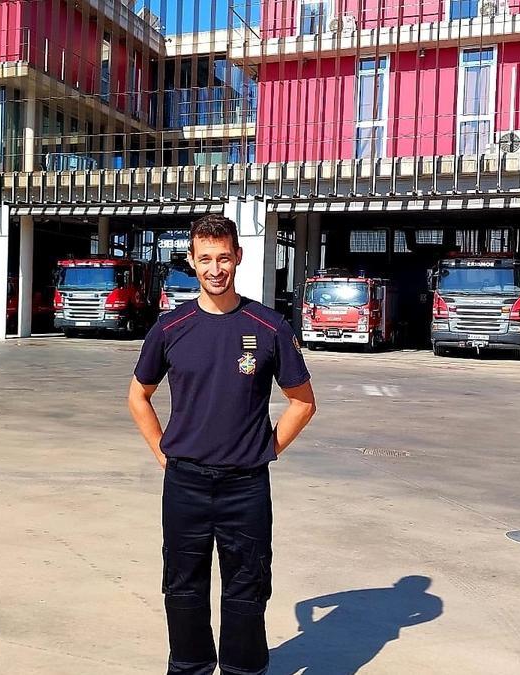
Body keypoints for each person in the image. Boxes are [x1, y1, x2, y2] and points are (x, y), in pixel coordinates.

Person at [128, 213, 317, 675]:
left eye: (224, 258)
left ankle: (243, 669)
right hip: (186, 484)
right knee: (183, 586)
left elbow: (302, 403)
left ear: (239, 258)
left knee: (247, 588)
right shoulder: (171, 328)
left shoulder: (268, 327)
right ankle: (189, 667)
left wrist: (265, 449)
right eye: (206, 258)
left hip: (245, 487)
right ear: (191, 261)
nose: (216, 268)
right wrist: (162, 453)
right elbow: (139, 395)